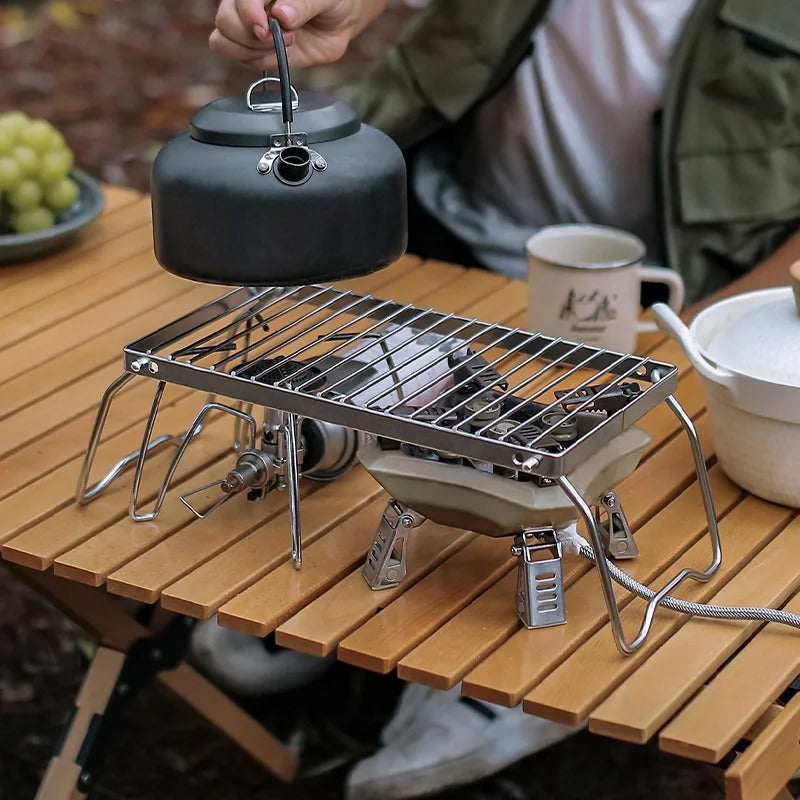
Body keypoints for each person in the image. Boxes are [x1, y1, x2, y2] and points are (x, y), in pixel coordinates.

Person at [199, 1, 800, 798]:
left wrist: (705, 332)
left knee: (621, 460)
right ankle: (330, 600)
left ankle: (543, 661)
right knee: (374, 407)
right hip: (446, 226)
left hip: (674, 290)